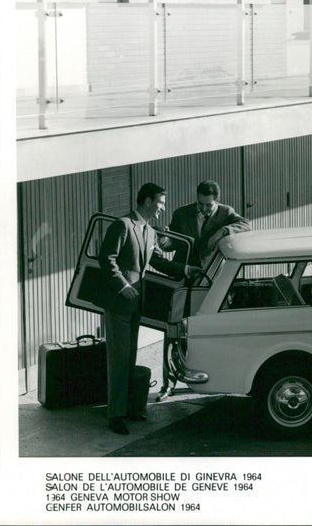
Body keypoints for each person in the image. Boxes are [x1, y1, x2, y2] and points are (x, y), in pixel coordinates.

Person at [99, 183, 199, 435]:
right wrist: (122, 285)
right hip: (119, 303)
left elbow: (157, 261)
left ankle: (127, 408)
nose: (162, 209)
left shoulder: (149, 231)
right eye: (160, 203)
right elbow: (106, 258)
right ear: (146, 202)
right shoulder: (123, 225)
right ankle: (115, 415)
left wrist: (185, 270)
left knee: (129, 356)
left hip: (135, 305)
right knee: (119, 359)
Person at [163, 180, 251, 267]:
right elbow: (171, 245)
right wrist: (163, 240)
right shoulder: (181, 214)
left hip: (211, 272)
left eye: (209, 205)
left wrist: (223, 231)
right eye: (200, 204)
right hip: (183, 272)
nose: (204, 209)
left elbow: (246, 224)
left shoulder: (225, 212)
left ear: (217, 202)